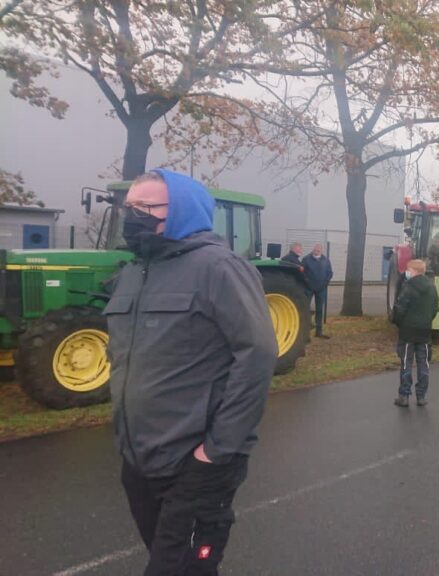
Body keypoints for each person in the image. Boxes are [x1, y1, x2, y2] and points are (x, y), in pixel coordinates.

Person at [107, 169, 278, 576]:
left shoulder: (218, 268)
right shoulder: (133, 272)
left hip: (196, 463)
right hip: (139, 459)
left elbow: (256, 355)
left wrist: (218, 450)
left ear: (182, 211)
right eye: (129, 207)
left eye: (147, 207)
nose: (134, 216)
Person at [392, 259, 439, 407]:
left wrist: (397, 322)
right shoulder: (432, 288)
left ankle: (404, 396)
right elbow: (435, 308)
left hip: (407, 331)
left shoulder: (408, 287)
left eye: (409, 270)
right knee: (423, 364)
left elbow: (400, 308)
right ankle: (421, 396)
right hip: (424, 331)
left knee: (406, 363)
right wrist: (426, 321)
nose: (407, 272)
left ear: (414, 271)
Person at [302, 243, 333, 339]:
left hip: (321, 289)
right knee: (305, 308)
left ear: (321, 251)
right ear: (312, 250)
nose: (316, 252)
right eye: (315, 250)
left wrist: (325, 283)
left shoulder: (326, 260)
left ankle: (319, 331)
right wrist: (306, 282)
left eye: (318, 251)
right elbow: (302, 273)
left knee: (319, 310)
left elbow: (330, 273)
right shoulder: (306, 259)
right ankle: (304, 332)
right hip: (308, 288)